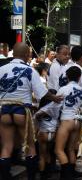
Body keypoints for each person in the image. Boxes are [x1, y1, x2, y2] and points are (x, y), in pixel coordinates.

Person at [0, 43, 63, 180]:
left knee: (6, 146)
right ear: (27, 55)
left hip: (4, 111)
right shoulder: (30, 71)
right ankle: (31, 177)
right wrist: (54, 98)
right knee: (30, 146)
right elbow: (42, 93)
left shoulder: (1, 69)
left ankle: (5, 176)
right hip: (21, 111)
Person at [54, 66, 82, 179]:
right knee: (71, 149)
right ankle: (72, 173)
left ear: (67, 77)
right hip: (77, 121)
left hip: (66, 120)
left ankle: (67, 175)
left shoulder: (63, 89)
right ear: (79, 77)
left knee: (59, 150)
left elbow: (56, 107)